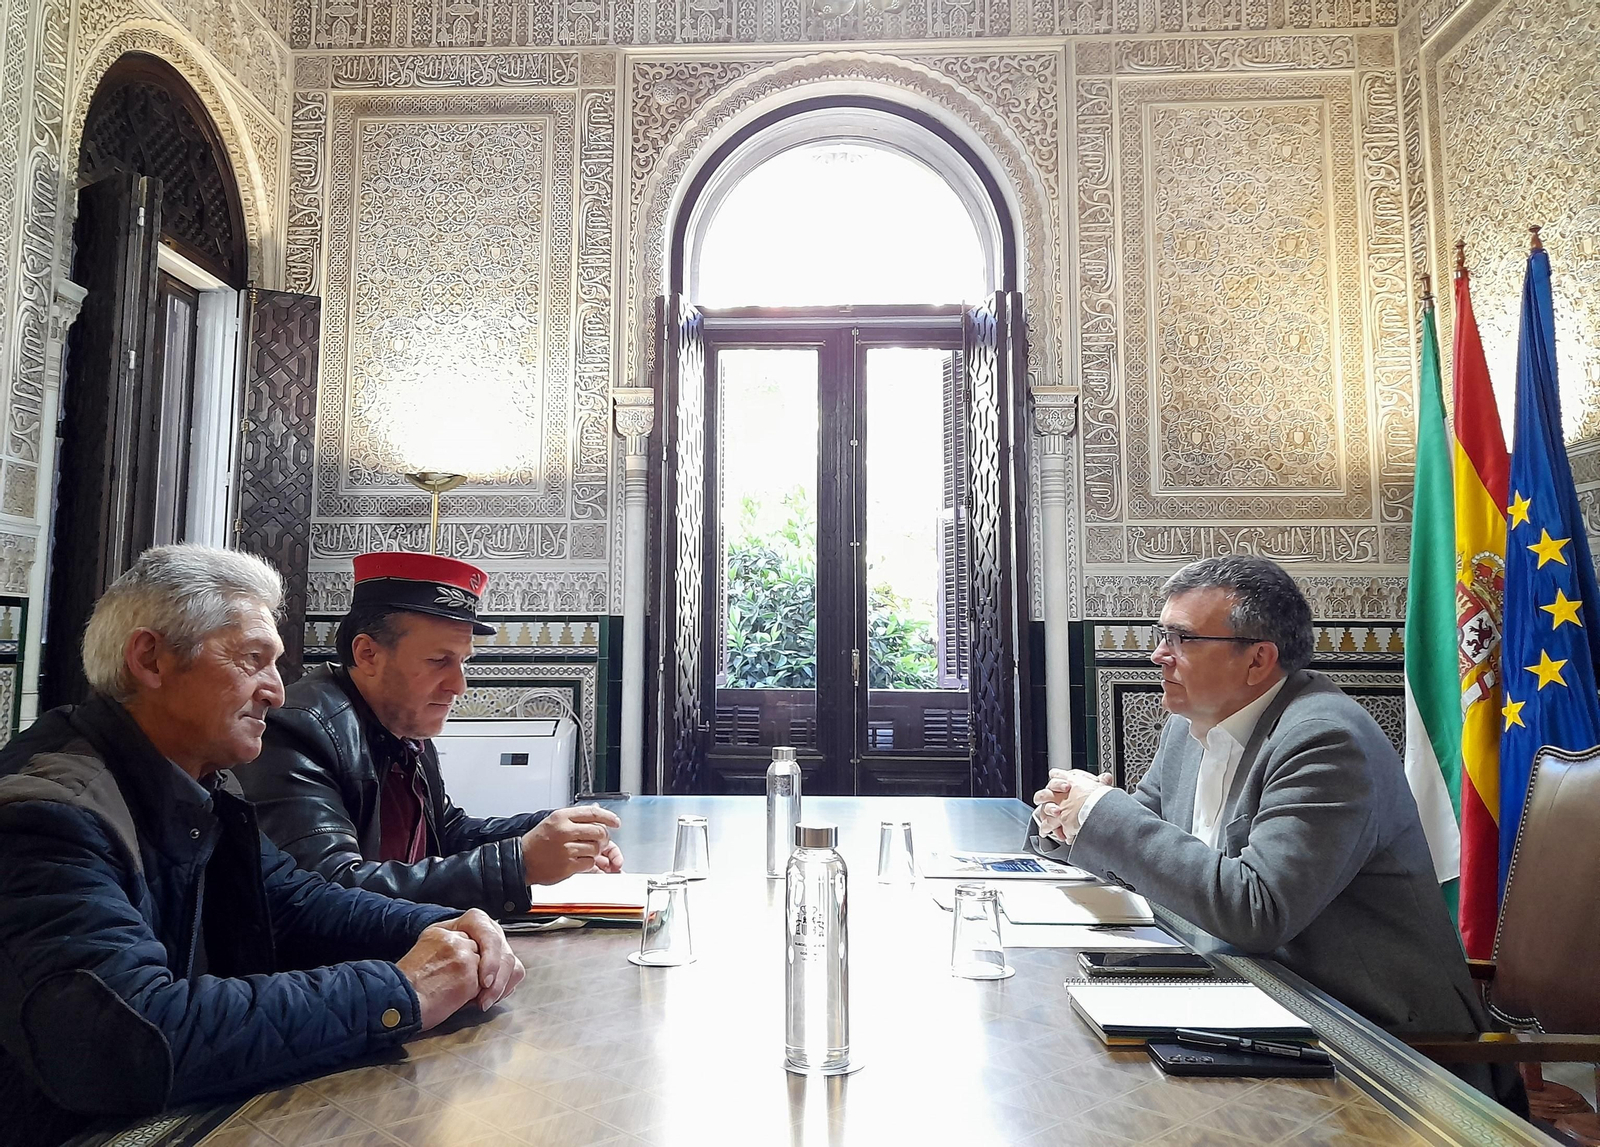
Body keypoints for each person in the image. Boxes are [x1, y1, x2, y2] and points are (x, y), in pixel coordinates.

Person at [0, 546, 524, 1147]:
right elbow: (125, 1038)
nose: (276, 692)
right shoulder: (45, 816)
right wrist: (401, 993)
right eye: (253, 660)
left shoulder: (197, 778)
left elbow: (301, 902)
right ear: (151, 659)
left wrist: (453, 926)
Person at [1029, 556, 1520, 1107]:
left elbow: (1256, 910)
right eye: (1160, 633)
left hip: (1375, 1038)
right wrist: (1069, 823)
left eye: (1182, 638)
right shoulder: (1188, 724)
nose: (1157, 654)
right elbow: (1140, 847)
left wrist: (1105, 815)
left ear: (1258, 659)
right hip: (1249, 1000)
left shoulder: (1324, 740)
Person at [240, 552, 622, 917]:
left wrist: (556, 833)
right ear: (368, 654)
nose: (459, 685)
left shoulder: (402, 725)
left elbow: (445, 832)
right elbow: (330, 891)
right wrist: (519, 862)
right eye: (439, 661)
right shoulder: (299, 730)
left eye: (463, 661)